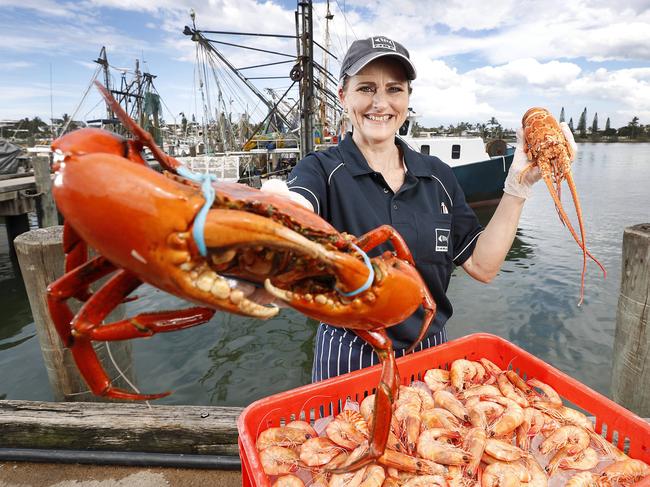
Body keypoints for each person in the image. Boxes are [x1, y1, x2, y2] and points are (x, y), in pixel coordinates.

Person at [260, 35, 576, 383]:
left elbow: (483, 266)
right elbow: (297, 204)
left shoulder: (437, 174)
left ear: (408, 99)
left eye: (394, 89)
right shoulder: (320, 169)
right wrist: (280, 209)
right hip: (348, 353)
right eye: (366, 88)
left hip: (431, 354)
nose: (380, 103)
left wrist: (517, 187)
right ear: (343, 97)